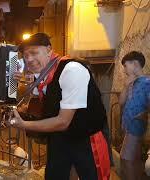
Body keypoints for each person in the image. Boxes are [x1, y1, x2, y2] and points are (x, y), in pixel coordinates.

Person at [10, 33, 111, 180]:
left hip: (86, 140)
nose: (29, 59)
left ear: (49, 50)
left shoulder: (71, 70)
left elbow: (63, 121)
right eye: (25, 55)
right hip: (60, 138)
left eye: (34, 53)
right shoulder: (45, 73)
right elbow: (49, 103)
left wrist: (24, 124)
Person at [119, 51, 150, 180]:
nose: (125, 70)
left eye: (126, 66)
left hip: (135, 127)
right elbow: (121, 102)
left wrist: (145, 113)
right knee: (134, 159)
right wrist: (126, 86)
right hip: (128, 126)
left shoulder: (147, 82)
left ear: (135, 64)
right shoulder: (131, 83)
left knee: (125, 158)